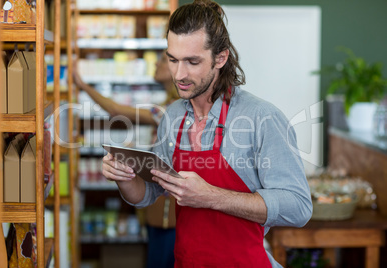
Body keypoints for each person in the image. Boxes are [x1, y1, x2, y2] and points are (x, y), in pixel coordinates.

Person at [102, 0, 313, 267]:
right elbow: (147, 194)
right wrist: (124, 177)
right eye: (173, 59)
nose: (179, 74)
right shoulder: (173, 117)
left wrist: (210, 196)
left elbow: (298, 207)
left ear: (220, 58)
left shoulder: (262, 118)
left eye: (192, 62)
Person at [74, 53, 178, 268]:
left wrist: (82, 85)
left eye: (162, 60)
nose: (156, 63)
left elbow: (115, 110)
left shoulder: (171, 109)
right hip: (161, 210)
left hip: (168, 215)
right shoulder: (167, 106)